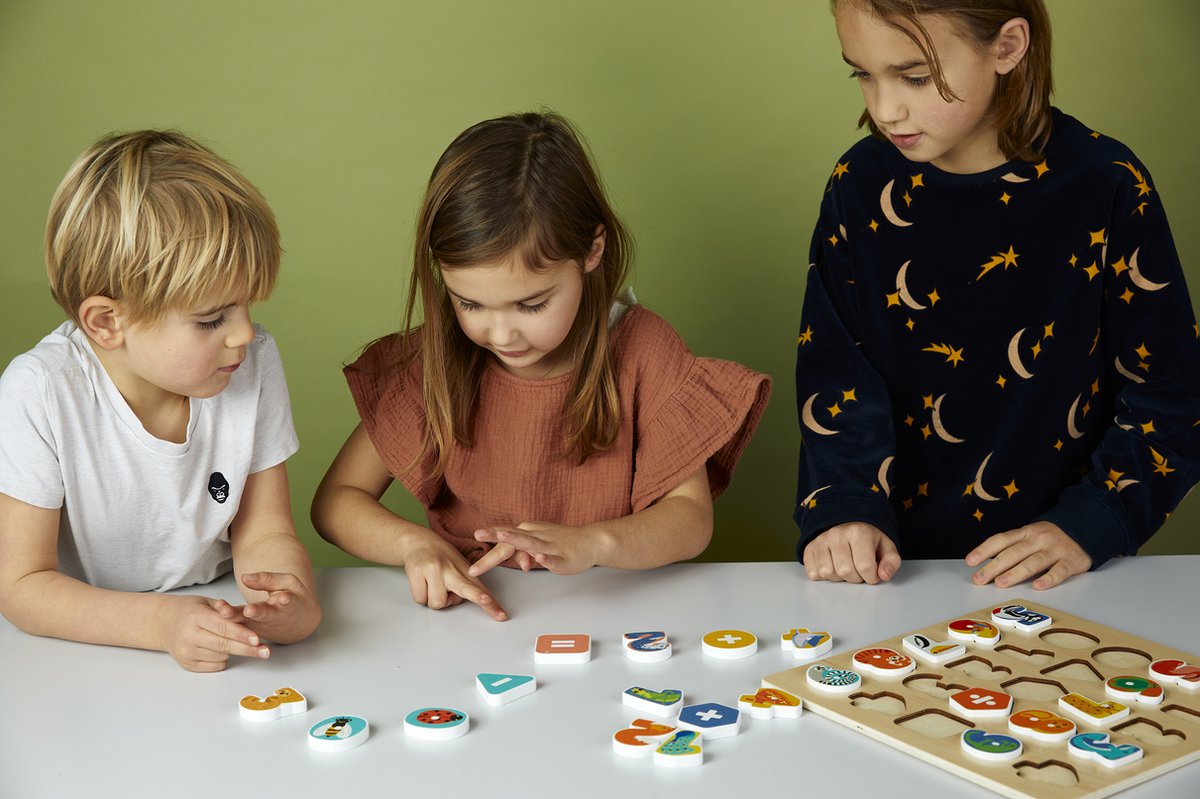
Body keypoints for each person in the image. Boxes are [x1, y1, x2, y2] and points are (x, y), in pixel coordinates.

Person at [794, 0, 1200, 589]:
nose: (884, 108)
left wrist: (1095, 519)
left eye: (914, 76)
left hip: (1062, 576)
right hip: (880, 573)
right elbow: (836, 373)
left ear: (1007, 47)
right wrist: (844, 508)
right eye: (862, 73)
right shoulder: (860, 184)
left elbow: (1171, 391)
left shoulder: (1105, 182)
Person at [312, 111, 770, 620]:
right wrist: (412, 546)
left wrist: (592, 543)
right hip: (471, 615)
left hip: (614, 610)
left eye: (531, 305)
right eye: (470, 304)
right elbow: (337, 500)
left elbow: (690, 519)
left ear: (592, 250)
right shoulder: (435, 359)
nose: (501, 334)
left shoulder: (644, 350)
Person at [0, 130, 321, 671]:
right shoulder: (41, 392)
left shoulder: (249, 361)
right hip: (87, 643)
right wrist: (161, 624)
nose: (243, 333)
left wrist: (290, 601)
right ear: (108, 323)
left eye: (245, 306)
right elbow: (23, 587)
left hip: (212, 614)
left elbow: (265, 530)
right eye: (211, 319)